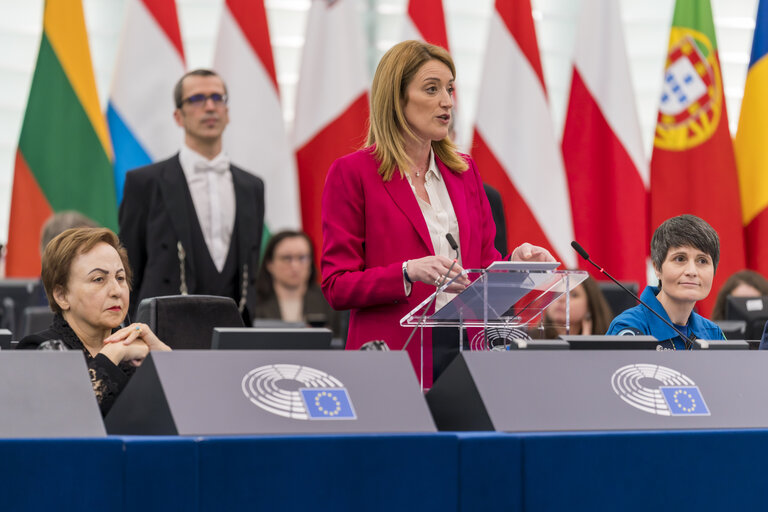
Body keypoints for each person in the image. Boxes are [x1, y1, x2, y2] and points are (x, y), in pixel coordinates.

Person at [321, 40, 554, 386]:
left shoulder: (465, 172)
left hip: (466, 357)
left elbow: (480, 267)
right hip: (391, 361)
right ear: (397, 99)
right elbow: (336, 284)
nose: (447, 101)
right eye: (432, 89)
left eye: (450, 89)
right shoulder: (353, 174)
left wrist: (513, 265)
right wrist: (406, 272)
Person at [119, 69, 265, 323]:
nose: (210, 107)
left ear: (227, 112)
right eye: (197, 99)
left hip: (234, 330)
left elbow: (249, 271)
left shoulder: (252, 187)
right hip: (163, 331)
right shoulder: (144, 183)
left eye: (217, 98)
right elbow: (129, 270)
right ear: (178, 116)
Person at [17, 228, 171, 415]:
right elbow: (63, 416)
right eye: (98, 279)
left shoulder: (140, 351)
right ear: (62, 295)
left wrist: (167, 361)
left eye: (120, 278)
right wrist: (113, 354)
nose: (116, 290)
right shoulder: (38, 350)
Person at [607, 215, 724, 349]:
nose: (692, 271)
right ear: (657, 268)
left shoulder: (713, 333)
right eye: (680, 259)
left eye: (702, 261)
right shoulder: (629, 327)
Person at [253, 231, 341, 337]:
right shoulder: (253, 301)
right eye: (287, 258)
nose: (295, 266)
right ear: (269, 264)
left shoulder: (329, 300)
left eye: (302, 258)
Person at [539, 276, 613, 339]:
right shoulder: (530, 340)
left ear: (589, 306)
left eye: (573, 295)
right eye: (557, 293)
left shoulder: (608, 343)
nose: (561, 298)